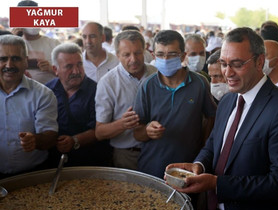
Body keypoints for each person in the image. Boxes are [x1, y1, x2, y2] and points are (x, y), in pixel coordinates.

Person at [166, 27, 278, 210]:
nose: (227, 73)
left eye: (237, 64)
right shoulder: (227, 100)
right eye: (224, 64)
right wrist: (198, 166)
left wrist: (217, 184)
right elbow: (215, 143)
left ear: (260, 62)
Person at [133, 30, 217, 179]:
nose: (165, 59)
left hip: (188, 169)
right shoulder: (146, 86)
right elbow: (137, 133)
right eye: (160, 54)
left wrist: (204, 148)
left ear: (183, 56)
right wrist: (147, 131)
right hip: (152, 167)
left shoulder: (199, 83)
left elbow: (211, 116)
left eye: (172, 54)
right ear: (153, 56)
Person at [95, 30, 157, 170]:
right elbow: (99, 133)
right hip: (127, 156)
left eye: (137, 53)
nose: (133, 59)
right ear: (117, 55)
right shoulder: (108, 83)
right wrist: (122, 124)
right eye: (126, 55)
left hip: (158, 151)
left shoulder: (157, 74)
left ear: (145, 51)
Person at [0, 34, 58, 178]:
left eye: (16, 58)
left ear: (26, 61)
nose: (9, 65)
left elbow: (51, 137)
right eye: (3, 59)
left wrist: (35, 140)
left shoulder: (43, 94)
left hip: (33, 175)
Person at [46, 43, 111, 167]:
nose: (76, 71)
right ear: (55, 69)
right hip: (54, 161)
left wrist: (75, 140)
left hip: (90, 160)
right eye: (69, 66)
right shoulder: (47, 91)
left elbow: (101, 129)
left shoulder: (97, 91)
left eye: (79, 65)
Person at [14, 0, 60, 85]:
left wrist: (51, 69)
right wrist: (12, 40)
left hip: (50, 93)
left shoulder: (54, 44)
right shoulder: (13, 44)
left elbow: (67, 73)